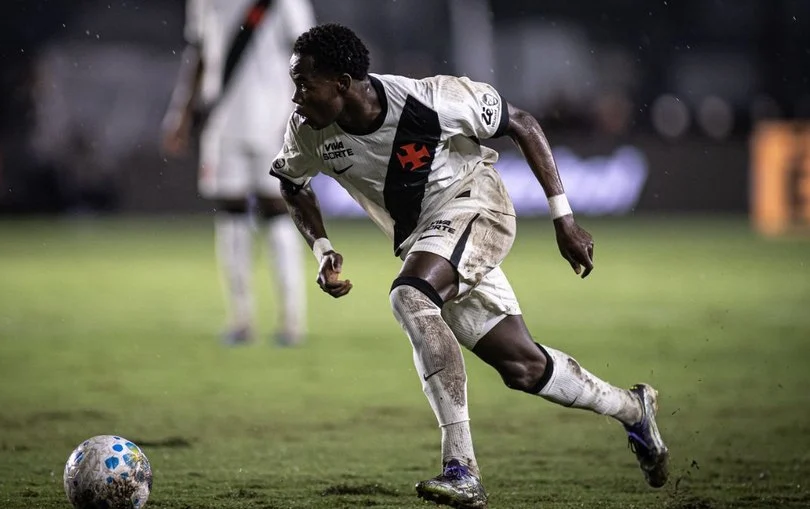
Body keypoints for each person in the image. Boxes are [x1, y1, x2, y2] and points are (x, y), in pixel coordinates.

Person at [270, 23, 669, 508]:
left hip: (476, 207)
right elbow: (292, 184)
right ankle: (633, 410)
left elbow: (522, 122)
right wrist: (322, 247)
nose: (296, 97)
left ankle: (461, 468)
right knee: (522, 367)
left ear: (342, 82)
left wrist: (563, 218)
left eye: (304, 84)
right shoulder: (308, 130)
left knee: (410, 296)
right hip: (427, 240)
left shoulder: (432, 100)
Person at [162, 0, 315, 346]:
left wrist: (303, 116)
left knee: (275, 211)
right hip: (223, 123)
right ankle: (241, 320)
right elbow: (199, 52)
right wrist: (180, 114)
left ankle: (291, 321)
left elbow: (307, 55)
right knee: (231, 214)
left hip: (273, 121)